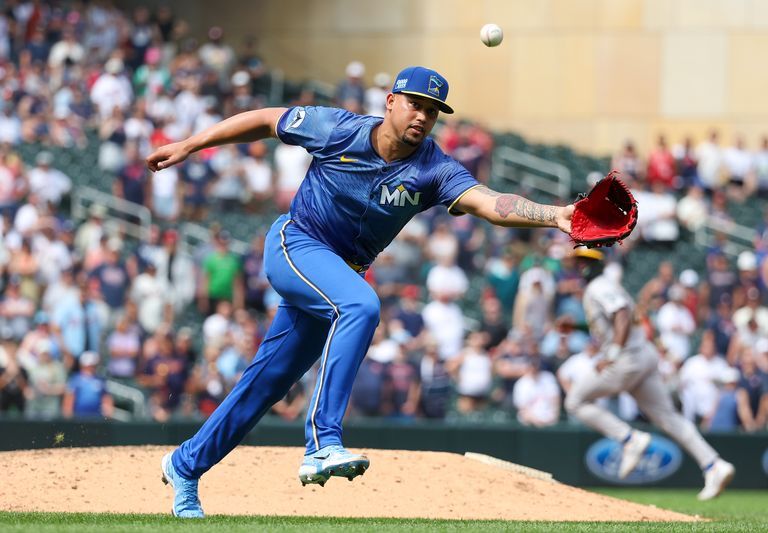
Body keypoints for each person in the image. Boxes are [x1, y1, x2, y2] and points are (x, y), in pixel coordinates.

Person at [147, 65, 574, 518]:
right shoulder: (336, 128)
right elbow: (266, 119)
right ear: (391, 101)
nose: (422, 117)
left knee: (267, 384)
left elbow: (491, 204)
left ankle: (185, 465)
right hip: (296, 244)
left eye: (432, 112)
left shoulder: (433, 169)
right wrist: (191, 145)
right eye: (415, 104)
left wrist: (555, 216)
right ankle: (322, 443)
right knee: (362, 304)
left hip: (338, 276)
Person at [564, 248, 735, 501]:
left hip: (627, 359)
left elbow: (621, 313)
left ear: (585, 266)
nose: (576, 268)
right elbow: (612, 320)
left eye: (579, 263)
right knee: (668, 418)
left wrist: (611, 354)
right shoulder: (604, 285)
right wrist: (577, 326)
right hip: (642, 354)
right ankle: (713, 465)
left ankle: (629, 438)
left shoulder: (598, 286)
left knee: (575, 401)